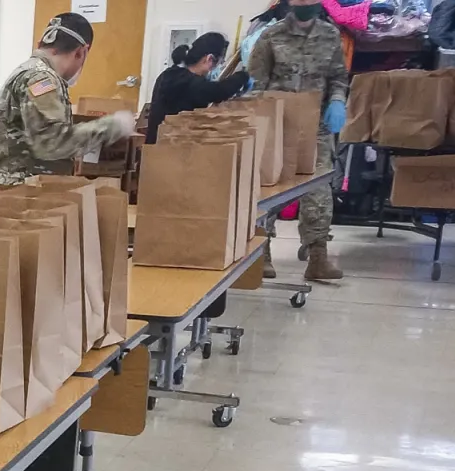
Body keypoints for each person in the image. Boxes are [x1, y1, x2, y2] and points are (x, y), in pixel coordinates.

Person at [249, 0, 349, 282]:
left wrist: (339, 101)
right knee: (270, 191)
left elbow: (339, 78)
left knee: (319, 191)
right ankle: (261, 253)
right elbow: (257, 82)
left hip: (316, 125)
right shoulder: (271, 35)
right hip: (279, 125)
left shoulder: (330, 35)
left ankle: (318, 257)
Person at [0, 13, 138, 188]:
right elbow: (51, 143)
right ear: (82, 51)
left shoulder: (30, 71)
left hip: (16, 190)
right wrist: (114, 126)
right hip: (21, 195)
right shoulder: (42, 78)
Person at [146, 33, 250, 144]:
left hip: (154, 146)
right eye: (218, 63)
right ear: (209, 59)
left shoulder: (167, 74)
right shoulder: (192, 83)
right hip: (171, 148)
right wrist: (243, 76)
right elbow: (220, 91)